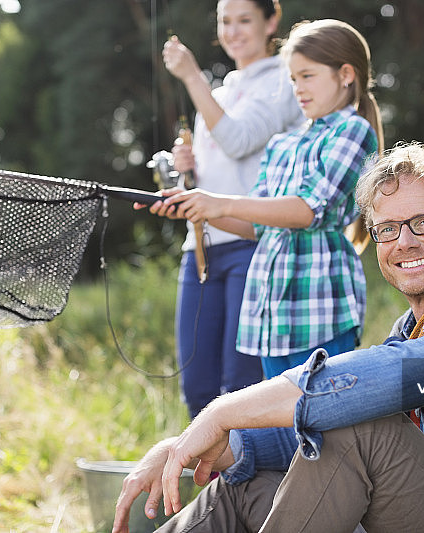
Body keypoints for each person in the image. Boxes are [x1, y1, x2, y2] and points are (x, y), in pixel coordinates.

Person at [113, 142, 424, 533]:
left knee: (361, 425)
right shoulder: (409, 330)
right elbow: (322, 427)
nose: (404, 241)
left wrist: (221, 411)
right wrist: (210, 446)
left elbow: (391, 379)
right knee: (246, 482)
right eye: (386, 229)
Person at [155, 19, 384, 379]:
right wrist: (193, 206)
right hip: (273, 319)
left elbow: (308, 210)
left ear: (346, 75)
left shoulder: (353, 131)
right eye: (293, 80)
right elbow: (254, 225)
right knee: (272, 429)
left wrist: (221, 202)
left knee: (320, 424)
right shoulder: (282, 144)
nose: (298, 89)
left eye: (307, 76)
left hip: (322, 313)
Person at [156, 0, 305, 418]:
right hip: (200, 252)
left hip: (252, 246)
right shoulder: (218, 93)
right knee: (197, 388)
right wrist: (186, 168)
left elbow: (238, 140)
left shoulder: (284, 79)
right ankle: (214, 483)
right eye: (225, 21)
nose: (234, 31)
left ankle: (248, 482)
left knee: (241, 388)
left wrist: (190, 76)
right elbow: (208, 177)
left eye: (245, 20)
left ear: (270, 21)